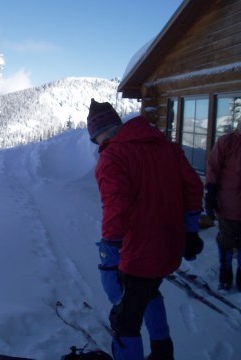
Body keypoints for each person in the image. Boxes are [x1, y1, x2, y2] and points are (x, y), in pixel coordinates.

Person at [87, 99, 204, 360]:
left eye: (96, 140)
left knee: (125, 320)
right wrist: (190, 230)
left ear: (98, 133)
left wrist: (108, 257)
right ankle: (163, 353)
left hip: (138, 254)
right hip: (169, 247)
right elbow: (194, 186)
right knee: (149, 292)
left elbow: (116, 207)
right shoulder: (166, 147)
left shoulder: (112, 156)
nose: (98, 146)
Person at [205, 119, 241, 291]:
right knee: (226, 241)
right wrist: (210, 194)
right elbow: (213, 168)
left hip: (229, 204)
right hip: (228, 204)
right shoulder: (226, 142)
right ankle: (225, 275)